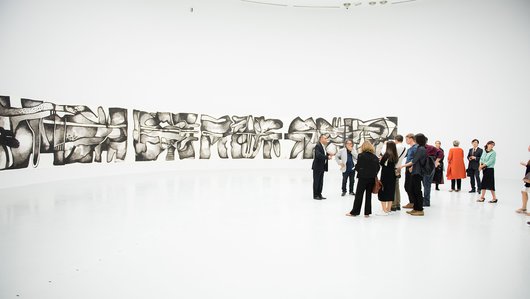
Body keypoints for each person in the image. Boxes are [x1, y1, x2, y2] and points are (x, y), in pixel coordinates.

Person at [346, 140, 380, 217]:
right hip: (371, 178)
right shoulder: (374, 157)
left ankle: (355, 212)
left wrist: (358, 170)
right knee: (368, 195)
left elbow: (358, 166)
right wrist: (373, 174)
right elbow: (377, 167)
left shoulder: (361, 155)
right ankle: (367, 213)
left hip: (363, 178)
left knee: (359, 195)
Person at [399, 133, 427, 216]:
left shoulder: (421, 149)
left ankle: (419, 209)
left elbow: (414, 160)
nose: (415, 139)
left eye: (416, 138)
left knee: (417, 190)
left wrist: (403, 166)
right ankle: (416, 208)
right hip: (415, 171)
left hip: (417, 172)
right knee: (414, 189)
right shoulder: (419, 148)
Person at [377, 141, 398, 215]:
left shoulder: (387, 154)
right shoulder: (395, 155)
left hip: (385, 174)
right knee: (391, 191)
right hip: (392, 175)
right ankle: (388, 209)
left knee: (383, 190)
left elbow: (381, 163)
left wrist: (381, 159)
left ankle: (384, 210)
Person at [423, 138, 443, 206]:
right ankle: (424, 200)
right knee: (425, 185)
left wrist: (436, 161)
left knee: (427, 185)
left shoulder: (430, 147)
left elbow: (441, 153)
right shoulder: (420, 147)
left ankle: (426, 202)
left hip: (429, 169)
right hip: (423, 169)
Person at [312, 134, 333, 200]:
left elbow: (323, 154)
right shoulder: (318, 146)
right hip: (317, 167)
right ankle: (315, 195)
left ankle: (319, 194)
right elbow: (318, 155)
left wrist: (328, 155)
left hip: (322, 167)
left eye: (326, 138)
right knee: (316, 182)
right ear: (321, 139)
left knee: (320, 182)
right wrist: (327, 157)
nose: (326, 139)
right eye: (325, 138)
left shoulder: (323, 146)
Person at [402, 133, 418, 209]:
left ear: (411, 138)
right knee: (407, 186)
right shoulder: (410, 149)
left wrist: (413, 166)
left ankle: (413, 202)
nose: (406, 141)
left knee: (410, 186)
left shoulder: (415, 148)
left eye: (407, 139)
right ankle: (412, 202)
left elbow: (416, 159)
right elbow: (403, 156)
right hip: (408, 168)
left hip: (412, 169)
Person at [515, 146, 530, 214]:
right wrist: (525, 165)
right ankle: (524, 208)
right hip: (528, 179)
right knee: (523, 191)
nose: (528, 148)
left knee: (524, 191)